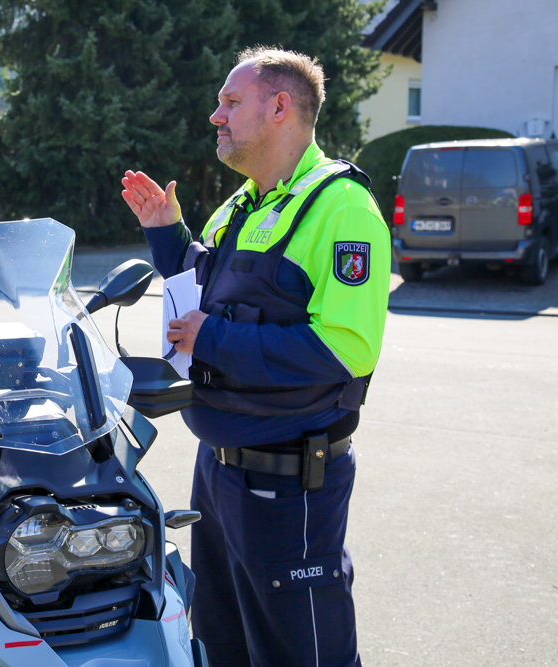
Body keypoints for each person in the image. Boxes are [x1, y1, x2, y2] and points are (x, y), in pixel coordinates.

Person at [121, 47, 389, 666]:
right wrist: (168, 236)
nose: (216, 115)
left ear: (279, 107)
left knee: (301, 650)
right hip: (220, 472)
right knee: (224, 640)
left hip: (288, 481)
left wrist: (212, 338)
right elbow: (207, 287)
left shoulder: (341, 208)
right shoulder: (244, 203)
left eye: (230, 101)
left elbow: (346, 349)